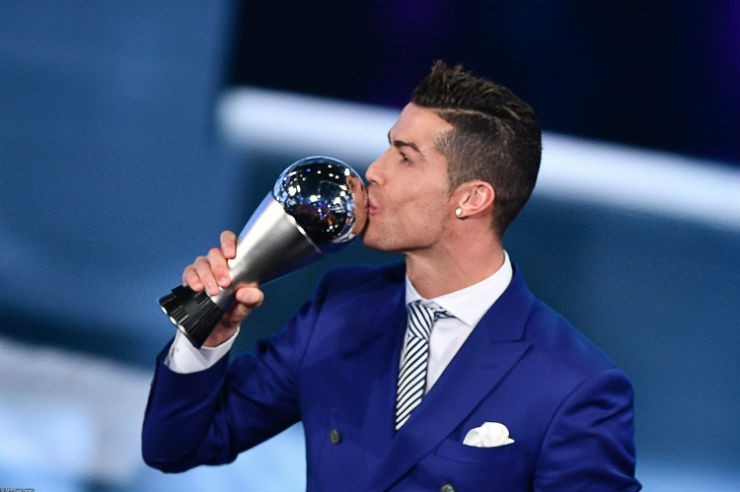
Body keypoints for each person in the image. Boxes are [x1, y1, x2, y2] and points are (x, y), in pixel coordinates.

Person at [142, 61, 641, 491]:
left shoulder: (575, 386)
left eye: (405, 157)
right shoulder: (340, 309)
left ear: (472, 198)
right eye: (387, 150)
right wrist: (207, 335)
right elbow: (175, 445)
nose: (374, 172)